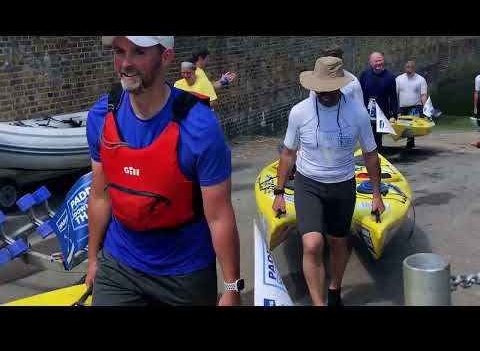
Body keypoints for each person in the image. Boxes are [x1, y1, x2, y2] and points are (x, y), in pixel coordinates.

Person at [85, 36, 243, 306]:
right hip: (120, 264)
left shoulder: (200, 126)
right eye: (119, 51)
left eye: (138, 52)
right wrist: (92, 260)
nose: (125, 63)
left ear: (166, 56)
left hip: (184, 272)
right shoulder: (101, 114)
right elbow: (100, 197)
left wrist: (231, 287)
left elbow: (219, 215)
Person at [273, 57, 385, 306]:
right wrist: (279, 192)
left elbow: (370, 154)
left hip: (343, 184)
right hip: (308, 183)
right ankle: (318, 302)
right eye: (319, 89)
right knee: (312, 244)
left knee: (338, 242)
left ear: (340, 86)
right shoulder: (300, 112)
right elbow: (288, 153)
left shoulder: (357, 113)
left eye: (329, 89)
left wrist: (376, 194)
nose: (324, 94)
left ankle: (334, 289)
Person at [359, 52, 398, 152]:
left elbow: (393, 97)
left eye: (380, 60)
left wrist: (394, 114)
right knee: (366, 136)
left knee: (377, 137)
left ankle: (378, 156)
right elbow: (360, 94)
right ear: (371, 63)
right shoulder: (365, 75)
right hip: (366, 111)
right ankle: (367, 155)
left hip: (381, 112)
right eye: (375, 61)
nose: (378, 63)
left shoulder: (390, 77)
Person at [396, 61, 428, 149]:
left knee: (411, 126)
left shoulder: (420, 79)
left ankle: (410, 143)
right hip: (402, 106)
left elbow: (423, 95)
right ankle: (407, 140)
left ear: (414, 68)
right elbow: (395, 94)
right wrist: (396, 107)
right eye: (407, 67)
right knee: (404, 125)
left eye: (410, 67)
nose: (408, 69)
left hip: (415, 106)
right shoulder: (399, 79)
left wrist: (425, 108)